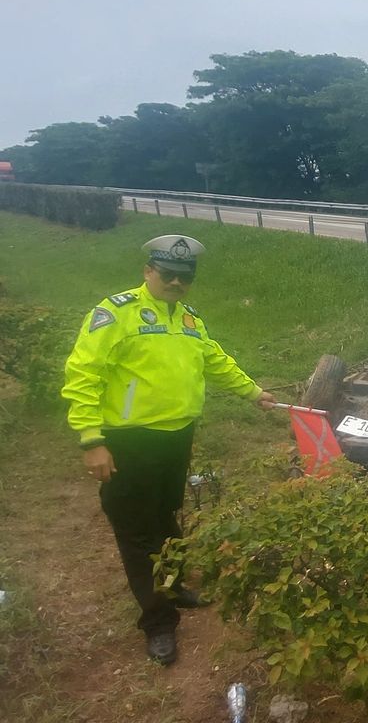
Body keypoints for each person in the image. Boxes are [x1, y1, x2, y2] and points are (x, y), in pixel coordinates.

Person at [62, 235, 276, 665]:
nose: (176, 283)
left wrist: (254, 393)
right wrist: (92, 440)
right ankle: (157, 622)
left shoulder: (189, 320)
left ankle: (174, 586)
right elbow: (82, 375)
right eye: (168, 274)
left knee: (164, 515)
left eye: (185, 277)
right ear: (148, 272)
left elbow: (214, 360)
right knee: (137, 532)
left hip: (177, 436)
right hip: (128, 441)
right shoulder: (115, 314)